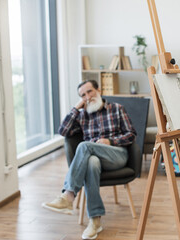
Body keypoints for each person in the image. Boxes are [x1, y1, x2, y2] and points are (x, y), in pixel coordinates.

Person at [42, 79, 136, 240]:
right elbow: (63, 131)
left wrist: (110, 141)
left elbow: (131, 134)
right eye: (83, 95)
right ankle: (95, 221)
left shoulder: (117, 109)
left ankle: (69, 195)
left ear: (98, 89)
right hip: (96, 159)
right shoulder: (82, 116)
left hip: (117, 155)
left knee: (85, 146)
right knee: (92, 162)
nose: (87, 97)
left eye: (90, 91)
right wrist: (76, 108)